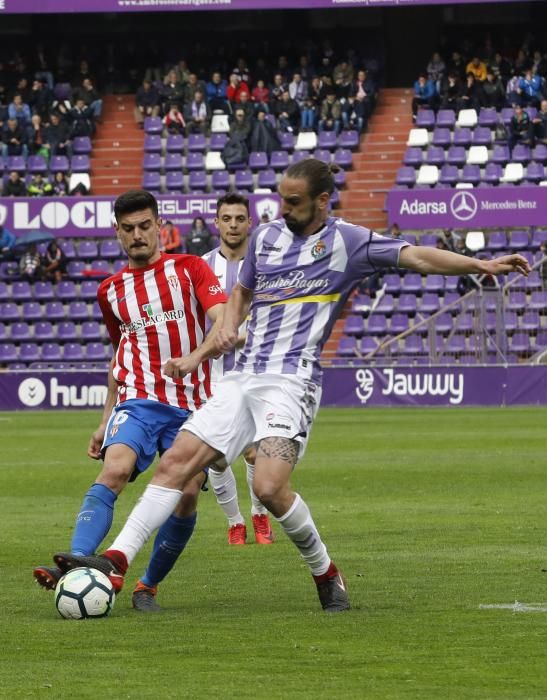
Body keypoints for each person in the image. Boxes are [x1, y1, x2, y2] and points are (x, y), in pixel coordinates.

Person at [48, 160, 530, 613]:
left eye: (294, 202)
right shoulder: (268, 237)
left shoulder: (350, 242)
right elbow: (241, 290)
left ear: (323, 201)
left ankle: (325, 571)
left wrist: (479, 265)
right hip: (241, 377)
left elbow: (417, 257)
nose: (285, 209)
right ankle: (115, 563)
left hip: (292, 381)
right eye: (281, 199)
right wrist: (217, 338)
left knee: (269, 486)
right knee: (177, 465)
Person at [33, 190, 228, 614]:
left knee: (188, 494)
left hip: (193, 406)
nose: (137, 235)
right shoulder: (111, 290)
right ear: (117, 233)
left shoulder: (190, 268)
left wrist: (196, 357)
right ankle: (76, 566)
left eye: (144, 226)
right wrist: (105, 418)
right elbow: (121, 352)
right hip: (138, 399)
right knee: (115, 468)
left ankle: (146, 586)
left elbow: (224, 323)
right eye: (128, 229)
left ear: (160, 227)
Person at [202, 192, 274, 546]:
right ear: (216, 223)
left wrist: (240, 337)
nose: (232, 224)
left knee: (253, 451)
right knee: (215, 457)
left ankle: (260, 516)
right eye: (226, 218)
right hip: (212, 375)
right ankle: (234, 521)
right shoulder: (200, 267)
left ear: (250, 223)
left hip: (254, 373)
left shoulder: (264, 267)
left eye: (238, 218)